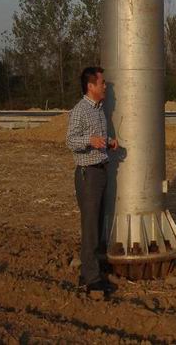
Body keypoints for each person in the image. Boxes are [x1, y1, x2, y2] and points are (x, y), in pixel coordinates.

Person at [66, 66, 118, 295]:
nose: (105, 86)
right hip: (88, 174)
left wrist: (108, 141)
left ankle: (91, 272)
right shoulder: (80, 109)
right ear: (91, 86)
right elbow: (70, 140)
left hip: (100, 171)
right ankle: (91, 278)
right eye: (102, 83)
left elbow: (97, 138)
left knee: (96, 225)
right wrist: (90, 140)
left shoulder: (99, 110)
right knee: (90, 227)